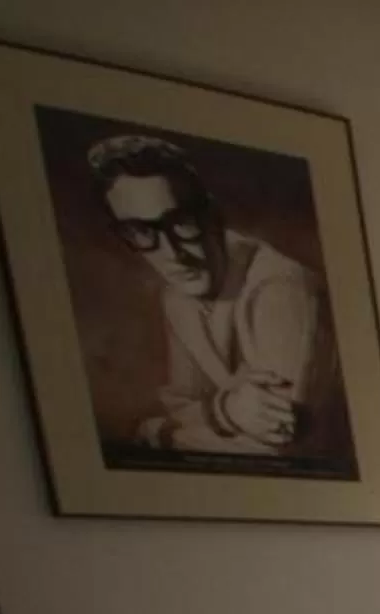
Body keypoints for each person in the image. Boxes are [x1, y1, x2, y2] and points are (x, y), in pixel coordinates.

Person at [85, 133, 332, 458]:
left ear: (211, 215)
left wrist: (157, 434)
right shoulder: (178, 294)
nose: (172, 253)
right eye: (142, 231)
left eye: (180, 222)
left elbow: (275, 447)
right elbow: (180, 404)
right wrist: (225, 410)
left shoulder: (279, 290)